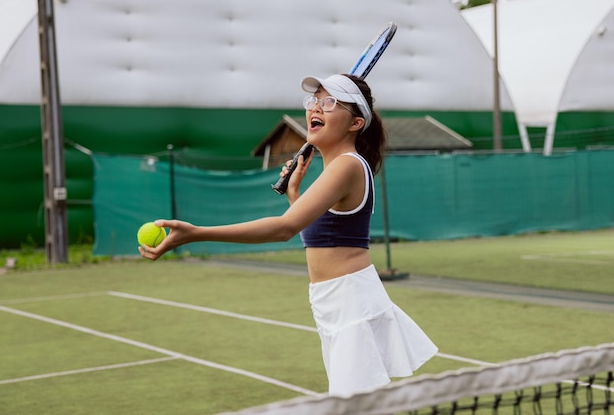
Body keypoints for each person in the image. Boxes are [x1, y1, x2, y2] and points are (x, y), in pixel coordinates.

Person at [139, 73, 438, 396]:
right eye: (314, 101)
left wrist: (196, 233)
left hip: (351, 299)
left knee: (355, 406)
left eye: (329, 102)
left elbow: (284, 228)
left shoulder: (346, 166)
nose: (316, 109)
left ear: (355, 123)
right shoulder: (337, 168)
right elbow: (323, 237)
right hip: (336, 300)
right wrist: (295, 193)